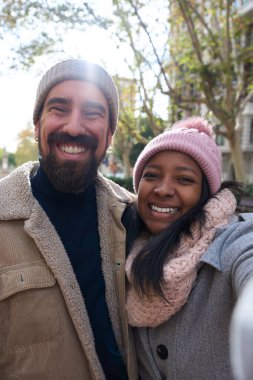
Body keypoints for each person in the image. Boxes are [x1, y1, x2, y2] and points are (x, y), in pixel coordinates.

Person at [0, 58, 137, 380]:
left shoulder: (134, 216)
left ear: (110, 135)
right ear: (36, 125)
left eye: (92, 113)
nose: (74, 127)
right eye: (59, 109)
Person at [123, 116, 253, 380]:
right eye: (152, 175)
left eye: (184, 179)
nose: (163, 189)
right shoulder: (125, 247)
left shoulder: (233, 239)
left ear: (206, 192)